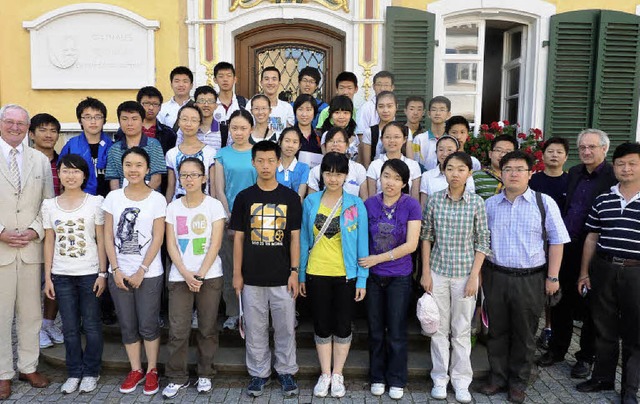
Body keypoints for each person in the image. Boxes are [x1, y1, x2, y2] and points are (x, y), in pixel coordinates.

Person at [479, 151, 570, 404]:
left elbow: (557, 241)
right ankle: (497, 378)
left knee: (525, 333)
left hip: (531, 279)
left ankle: (518, 382)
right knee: (496, 330)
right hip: (495, 275)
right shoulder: (489, 205)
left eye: (520, 169)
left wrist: (553, 277)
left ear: (531, 173)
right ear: (501, 173)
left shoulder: (544, 203)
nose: (514, 174)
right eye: (508, 169)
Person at [537, 129, 616, 381]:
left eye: (591, 147)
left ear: (604, 149)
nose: (586, 152)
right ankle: (558, 349)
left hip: (595, 249)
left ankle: (585, 358)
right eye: (582, 147)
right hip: (568, 246)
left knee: (590, 306)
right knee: (561, 302)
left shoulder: (613, 177)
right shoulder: (573, 175)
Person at [230, 141, 302, 397]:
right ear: (253, 162)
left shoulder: (290, 197)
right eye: (260, 161)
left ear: (278, 161)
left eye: (271, 160)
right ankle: (259, 374)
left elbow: (295, 238)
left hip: (282, 277)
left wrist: (294, 271)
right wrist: (237, 274)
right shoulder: (244, 197)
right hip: (251, 277)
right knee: (255, 328)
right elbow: (238, 238)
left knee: (285, 327)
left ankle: (286, 371)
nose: (265, 166)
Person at [420, 151, 490, 404]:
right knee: (437, 329)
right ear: (444, 171)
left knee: (461, 331)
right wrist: (425, 271)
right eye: (450, 168)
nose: (455, 173)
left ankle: (461, 382)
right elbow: (426, 236)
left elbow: (483, 241)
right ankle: (439, 379)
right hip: (438, 272)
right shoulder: (436, 200)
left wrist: (475, 277)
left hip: (464, 275)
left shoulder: (476, 203)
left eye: (461, 169)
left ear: (469, 173)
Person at [299, 152, 369, 398]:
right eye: (328, 172)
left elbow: (362, 244)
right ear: (322, 174)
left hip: (345, 275)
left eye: (339, 173)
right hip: (316, 272)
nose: (333, 178)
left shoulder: (355, 204)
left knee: (342, 325)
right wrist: (300, 276)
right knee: (321, 324)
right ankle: (325, 373)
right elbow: (305, 239)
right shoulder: (310, 202)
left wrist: (362, 277)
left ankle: (338, 373)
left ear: (346, 175)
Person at [576, 142, 640, 403]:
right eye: (621, 164)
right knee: (604, 326)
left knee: (635, 333)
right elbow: (591, 237)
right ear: (614, 167)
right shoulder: (604, 199)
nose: (626, 168)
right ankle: (602, 378)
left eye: (632, 163)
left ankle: (629, 390)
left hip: (636, 273)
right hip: (603, 269)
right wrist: (584, 273)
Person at [0, 104, 54, 400]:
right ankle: (3, 373)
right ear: (1, 124)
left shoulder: (39, 161)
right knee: (1, 314)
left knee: (31, 313)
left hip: (31, 247)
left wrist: (36, 230)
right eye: (10, 122)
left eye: (21, 124)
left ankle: (28, 365)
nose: (16, 128)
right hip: (2, 247)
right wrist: (1, 232)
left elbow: (47, 202)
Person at [103, 147, 167, 396]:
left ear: (148, 169)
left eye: (139, 165)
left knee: (148, 323)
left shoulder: (157, 199)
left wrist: (141, 269)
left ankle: (152, 369)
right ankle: (135, 369)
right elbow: (108, 236)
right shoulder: (113, 198)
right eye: (128, 164)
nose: (133, 169)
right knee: (128, 324)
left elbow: (158, 238)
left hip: (149, 273)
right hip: (118, 271)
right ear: (123, 168)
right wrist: (115, 269)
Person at [41, 154, 106, 394]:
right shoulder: (49, 205)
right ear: (59, 174)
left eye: (76, 171)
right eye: (66, 171)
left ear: (84, 175)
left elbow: (101, 240)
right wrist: (48, 277)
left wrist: (103, 273)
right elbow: (49, 241)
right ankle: (74, 372)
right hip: (61, 274)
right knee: (68, 327)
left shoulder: (96, 202)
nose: (71, 175)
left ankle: (91, 371)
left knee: (91, 324)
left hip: (89, 273)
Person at [162, 157, 226, 399]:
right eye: (184, 175)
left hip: (209, 275)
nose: (189, 179)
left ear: (204, 178)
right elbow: (171, 245)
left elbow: (215, 243)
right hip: (180, 276)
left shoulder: (213, 206)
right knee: (178, 329)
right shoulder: (173, 207)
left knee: (208, 328)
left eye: (194, 174)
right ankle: (176, 376)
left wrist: (200, 273)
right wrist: (187, 274)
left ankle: (205, 373)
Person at [361, 159, 421, 400]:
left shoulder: (411, 205)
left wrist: (378, 259)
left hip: (399, 276)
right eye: (386, 176)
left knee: (396, 330)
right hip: (373, 278)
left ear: (404, 183)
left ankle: (396, 378)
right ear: (380, 178)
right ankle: (377, 376)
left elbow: (412, 244)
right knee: (375, 330)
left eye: (397, 178)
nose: (390, 182)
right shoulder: (368, 204)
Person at [214, 109, 257, 330]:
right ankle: (233, 312)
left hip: (256, 219)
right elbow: (218, 188)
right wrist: (228, 214)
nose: (238, 133)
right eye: (234, 128)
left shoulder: (258, 153)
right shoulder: (222, 154)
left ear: (251, 128)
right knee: (230, 265)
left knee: (253, 267)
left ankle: (253, 313)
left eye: (243, 128)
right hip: (228, 218)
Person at [529, 137, 570, 350]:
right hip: (535, 241)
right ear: (542, 155)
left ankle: (551, 328)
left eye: (559, 152)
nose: (554, 155)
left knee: (554, 285)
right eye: (550, 151)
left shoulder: (571, 182)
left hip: (559, 241)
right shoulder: (533, 180)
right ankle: (540, 327)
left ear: (566, 157)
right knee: (538, 286)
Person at [29, 113, 65, 349]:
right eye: (43, 129)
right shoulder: (26, 162)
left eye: (53, 130)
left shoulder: (64, 162)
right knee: (32, 282)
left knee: (56, 278)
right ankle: (33, 328)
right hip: (31, 229)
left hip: (59, 228)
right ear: (31, 134)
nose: (48, 134)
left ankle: (48, 323)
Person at [105, 101, 166, 191]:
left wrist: (140, 197)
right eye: (125, 119)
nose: (129, 123)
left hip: (149, 198)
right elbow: (114, 180)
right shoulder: (114, 149)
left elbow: (156, 179)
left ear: (142, 121)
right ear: (119, 121)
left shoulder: (154, 145)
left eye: (134, 119)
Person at [59, 97, 113, 197]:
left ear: (104, 120)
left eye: (98, 117)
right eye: (87, 117)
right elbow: (62, 177)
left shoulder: (112, 146)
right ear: (80, 120)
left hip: (108, 202)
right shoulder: (71, 145)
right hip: (79, 202)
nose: (93, 122)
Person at [165, 105, 216, 202]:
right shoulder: (171, 154)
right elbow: (171, 186)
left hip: (204, 205)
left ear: (200, 124)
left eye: (194, 120)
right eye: (184, 119)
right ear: (178, 122)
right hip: (178, 205)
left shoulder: (210, 152)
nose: (188, 124)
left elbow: (212, 186)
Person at [366, 121, 421, 200]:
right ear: (381, 139)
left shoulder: (413, 165)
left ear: (404, 139)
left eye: (397, 137)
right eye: (387, 137)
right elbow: (372, 198)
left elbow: (415, 198)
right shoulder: (374, 165)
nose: (392, 141)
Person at [308, 127, 367, 199]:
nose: (335, 144)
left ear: (347, 145)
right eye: (331, 141)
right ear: (325, 145)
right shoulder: (315, 171)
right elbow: (311, 201)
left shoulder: (358, 169)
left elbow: (364, 199)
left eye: (339, 141)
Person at [419, 136, 475, 208]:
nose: (445, 154)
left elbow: (471, 201)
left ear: (457, 152)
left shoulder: (465, 175)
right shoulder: (427, 176)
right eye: (441, 149)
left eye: (450, 150)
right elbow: (424, 205)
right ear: (436, 152)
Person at [245, 67, 294, 137]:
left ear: (279, 83)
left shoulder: (287, 108)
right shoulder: (251, 104)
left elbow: (290, 133)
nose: (270, 83)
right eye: (266, 79)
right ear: (261, 82)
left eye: (274, 79)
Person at [212, 62, 248, 148]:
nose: (225, 79)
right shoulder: (210, 104)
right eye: (221, 76)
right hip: (214, 150)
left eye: (229, 76)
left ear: (235, 79)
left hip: (237, 150)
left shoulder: (243, 103)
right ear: (215, 80)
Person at [357, 71, 395, 152]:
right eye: (379, 85)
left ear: (392, 87)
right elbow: (360, 135)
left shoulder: (393, 105)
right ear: (373, 86)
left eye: (386, 85)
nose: (382, 88)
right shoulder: (366, 107)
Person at [472, 134, 518, 200]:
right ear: (490, 154)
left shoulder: (518, 177)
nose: (502, 155)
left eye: (508, 152)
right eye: (498, 150)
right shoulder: (475, 176)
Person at [412, 96, 451, 170]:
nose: (437, 113)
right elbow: (415, 164)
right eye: (434, 109)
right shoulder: (419, 139)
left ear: (448, 114)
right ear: (429, 113)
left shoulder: (451, 140)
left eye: (442, 110)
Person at [362, 91, 397, 168]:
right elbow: (367, 164)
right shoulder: (369, 132)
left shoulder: (405, 131)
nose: (385, 110)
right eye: (381, 106)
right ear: (376, 108)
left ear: (396, 107)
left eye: (389, 106)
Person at [186, 85, 223, 151]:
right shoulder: (186, 128)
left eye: (210, 101)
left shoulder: (224, 131)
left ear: (216, 105)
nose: (206, 105)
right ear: (195, 105)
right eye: (202, 101)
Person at [276, 127, 310, 200]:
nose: (290, 145)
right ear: (279, 142)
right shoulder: (272, 166)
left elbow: (300, 196)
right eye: (287, 141)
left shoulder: (304, 168)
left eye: (295, 142)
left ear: (299, 146)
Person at [158, 66, 194, 130]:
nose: (181, 85)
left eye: (185, 81)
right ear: (171, 84)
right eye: (177, 81)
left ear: (191, 85)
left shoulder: (196, 107)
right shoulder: (162, 108)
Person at [292, 94, 322, 168]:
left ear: (314, 112)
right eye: (300, 109)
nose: (304, 114)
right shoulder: (288, 135)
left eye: (308, 110)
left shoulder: (319, 136)